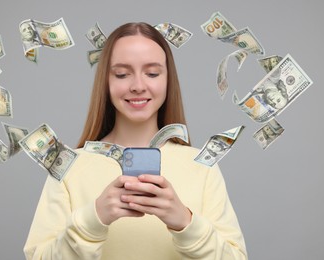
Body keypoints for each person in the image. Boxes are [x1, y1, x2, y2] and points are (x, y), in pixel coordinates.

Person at [23, 22, 247, 260]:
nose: (138, 86)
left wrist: (185, 222)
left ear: (168, 80)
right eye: (122, 74)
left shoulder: (202, 166)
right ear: (106, 82)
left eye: (152, 73)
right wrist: (93, 218)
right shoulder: (67, 167)